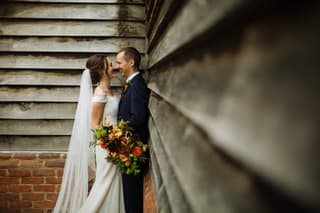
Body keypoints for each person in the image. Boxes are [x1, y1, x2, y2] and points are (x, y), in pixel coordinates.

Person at [53, 54, 125, 213]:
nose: (114, 67)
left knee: (112, 184)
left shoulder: (108, 90)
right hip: (107, 146)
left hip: (115, 143)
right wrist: (112, 143)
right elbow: (94, 125)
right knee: (104, 184)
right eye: (109, 65)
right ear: (101, 70)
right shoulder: (99, 94)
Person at [116, 47, 149, 213]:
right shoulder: (131, 83)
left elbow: (137, 118)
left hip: (133, 148)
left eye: (119, 62)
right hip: (127, 147)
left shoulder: (137, 86)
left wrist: (117, 132)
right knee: (129, 195)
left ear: (131, 62)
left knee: (132, 197)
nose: (118, 66)